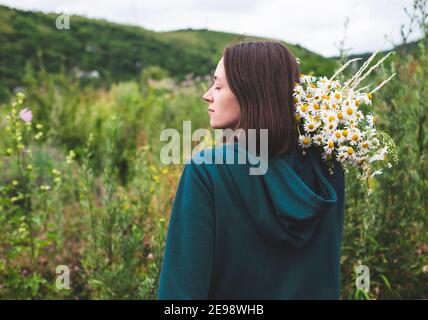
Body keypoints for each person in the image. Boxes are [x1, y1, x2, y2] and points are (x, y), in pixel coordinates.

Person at [157, 40, 345, 299]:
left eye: (219, 86)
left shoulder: (207, 172)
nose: (207, 94)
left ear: (250, 93)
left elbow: (180, 296)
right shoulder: (328, 168)